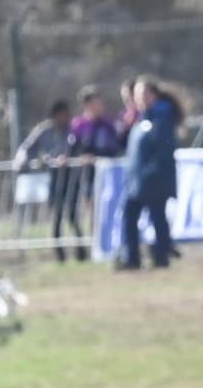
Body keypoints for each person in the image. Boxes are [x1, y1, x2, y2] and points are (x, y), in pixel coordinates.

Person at [116, 77, 182, 272]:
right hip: (136, 181)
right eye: (137, 95)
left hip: (154, 180)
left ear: (154, 95)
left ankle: (161, 256)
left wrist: (150, 173)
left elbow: (162, 151)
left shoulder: (162, 118)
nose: (140, 99)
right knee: (129, 217)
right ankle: (132, 258)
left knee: (157, 217)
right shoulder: (140, 119)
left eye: (144, 94)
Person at [13, 99, 75, 262]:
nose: (65, 117)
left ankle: (81, 251)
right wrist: (25, 160)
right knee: (57, 216)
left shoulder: (72, 130)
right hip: (53, 180)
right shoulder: (44, 130)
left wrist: (67, 157)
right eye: (62, 114)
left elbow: (77, 148)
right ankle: (59, 253)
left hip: (71, 178)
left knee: (73, 215)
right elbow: (26, 148)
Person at [66, 86, 123, 262]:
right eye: (95, 103)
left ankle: (110, 245)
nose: (99, 106)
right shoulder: (79, 125)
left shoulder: (108, 124)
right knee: (92, 211)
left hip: (108, 175)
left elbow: (115, 147)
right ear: (87, 105)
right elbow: (72, 149)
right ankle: (94, 246)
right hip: (88, 176)